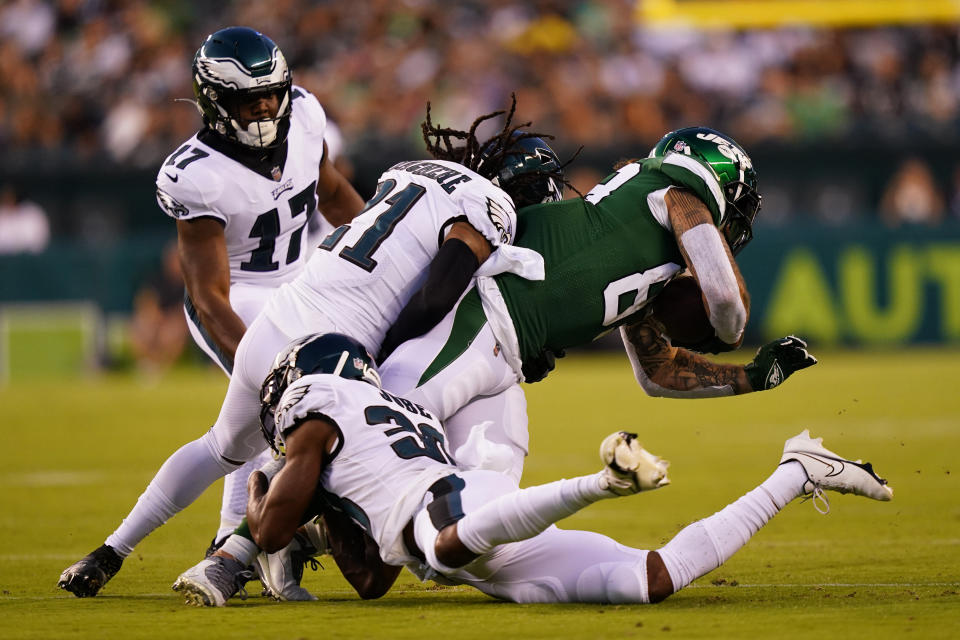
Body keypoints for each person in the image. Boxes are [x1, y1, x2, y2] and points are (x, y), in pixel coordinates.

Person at [57, 99, 568, 600]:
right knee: (328, 456)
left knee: (220, 446)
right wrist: (382, 355)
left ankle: (109, 551)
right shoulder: (490, 208)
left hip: (280, 314)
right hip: (327, 349)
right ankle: (230, 561)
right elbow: (435, 297)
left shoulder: (417, 171)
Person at [175, 333, 892, 606]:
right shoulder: (369, 413)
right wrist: (326, 515)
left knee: (446, 545)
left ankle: (602, 483)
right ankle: (799, 470)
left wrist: (267, 489)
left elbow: (267, 531)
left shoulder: (314, 406)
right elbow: (372, 581)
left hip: (450, 509)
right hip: (471, 515)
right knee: (651, 580)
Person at [377, 126, 818, 484]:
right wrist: (726, 335)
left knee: (482, 500)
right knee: (380, 433)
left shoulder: (644, 247)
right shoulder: (674, 193)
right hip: (483, 318)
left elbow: (658, 373)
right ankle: (308, 533)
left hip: (506, 357)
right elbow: (726, 302)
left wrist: (753, 376)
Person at [152, 26, 365, 560]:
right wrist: (262, 375)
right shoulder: (195, 175)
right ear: (217, 102)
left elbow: (335, 194)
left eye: (273, 93)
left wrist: (383, 254)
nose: (268, 106)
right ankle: (231, 545)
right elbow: (210, 296)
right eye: (251, 99)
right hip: (239, 295)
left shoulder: (307, 117)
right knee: (256, 415)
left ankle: (248, 539)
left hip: (303, 286)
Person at [129, 243, 190, 378]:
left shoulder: (188, 284)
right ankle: (147, 364)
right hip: (156, 320)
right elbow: (145, 300)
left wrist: (168, 320)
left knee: (172, 331)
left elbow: (184, 312)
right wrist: (155, 317)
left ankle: (162, 367)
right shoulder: (157, 279)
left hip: (175, 323)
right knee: (141, 328)